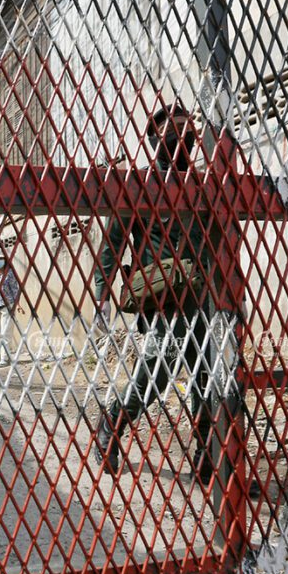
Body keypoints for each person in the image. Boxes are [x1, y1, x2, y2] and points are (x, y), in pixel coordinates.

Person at [93, 101, 216, 482]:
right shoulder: (140, 185)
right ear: (154, 140)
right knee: (157, 373)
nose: (183, 139)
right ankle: (113, 421)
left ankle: (206, 451)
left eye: (188, 132)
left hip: (202, 298)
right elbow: (113, 242)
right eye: (173, 133)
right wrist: (102, 293)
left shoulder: (202, 185)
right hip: (161, 299)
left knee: (206, 374)